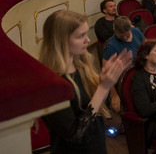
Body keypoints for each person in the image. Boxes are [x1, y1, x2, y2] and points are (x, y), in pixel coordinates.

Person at [40, 10, 132, 154]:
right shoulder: (51, 83)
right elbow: (74, 135)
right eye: (81, 36)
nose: (88, 40)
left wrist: (107, 82)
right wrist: (103, 88)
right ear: (61, 41)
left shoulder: (81, 65)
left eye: (86, 33)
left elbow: (93, 106)